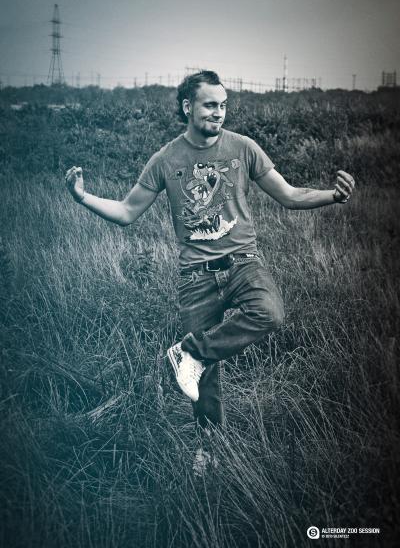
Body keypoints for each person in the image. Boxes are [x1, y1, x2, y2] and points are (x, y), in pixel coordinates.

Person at [65, 70, 355, 462]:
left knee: (269, 313)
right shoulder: (165, 159)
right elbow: (126, 212)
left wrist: (332, 196)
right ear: (188, 107)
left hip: (243, 263)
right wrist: (83, 198)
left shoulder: (243, 148)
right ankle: (209, 450)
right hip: (195, 277)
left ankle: (190, 352)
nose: (218, 112)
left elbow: (289, 195)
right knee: (205, 379)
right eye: (210, 105)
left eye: (223, 105)